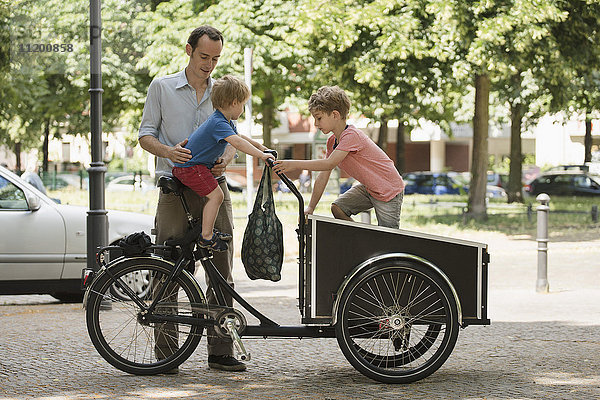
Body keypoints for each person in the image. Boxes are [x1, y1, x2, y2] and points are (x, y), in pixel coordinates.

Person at [138, 26, 245, 372]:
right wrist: (168, 151)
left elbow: (233, 139)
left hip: (215, 188)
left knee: (221, 267)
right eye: (203, 57)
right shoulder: (162, 87)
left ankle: (220, 350)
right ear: (188, 50)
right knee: (167, 270)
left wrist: (226, 160)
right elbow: (145, 134)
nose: (209, 65)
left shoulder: (225, 90)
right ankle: (167, 353)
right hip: (175, 189)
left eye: (215, 59)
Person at [272, 86, 405, 228]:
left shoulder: (352, 136)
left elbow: (328, 164)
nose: (316, 124)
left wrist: (294, 164)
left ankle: (372, 241)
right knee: (338, 208)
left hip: (388, 190)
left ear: (335, 115)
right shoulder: (332, 142)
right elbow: (323, 175)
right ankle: (365, 239)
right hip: (370, 188)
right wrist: (311, 207)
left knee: (388, 238)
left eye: (319, 118)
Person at [172, 75, 274, 251]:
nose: (243, 108)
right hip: (190, 168)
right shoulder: (218, 123)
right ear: (234, 103)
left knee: (215, 196)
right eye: (243, 104)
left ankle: (206, 232)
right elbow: (237, 143)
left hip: (194, 167)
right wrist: (261, 156)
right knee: (217, 196)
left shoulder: (224, 121)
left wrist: (263, 148)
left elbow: (242, 138)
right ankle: (206, 237)